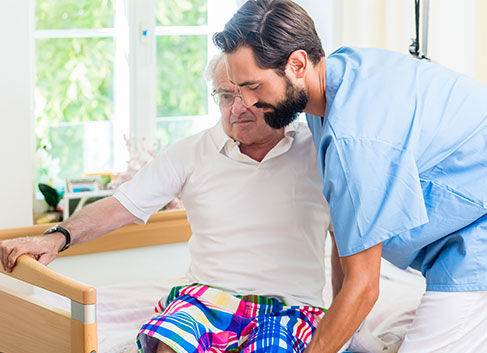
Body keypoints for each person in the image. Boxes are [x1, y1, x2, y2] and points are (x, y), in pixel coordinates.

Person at [0, 54, 332, 353]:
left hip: (290, 306)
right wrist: (56, 237)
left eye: (247, 94)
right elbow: (120, 205)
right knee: (171, 343)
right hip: (206, 298)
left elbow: (350, 241)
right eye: (225, 96)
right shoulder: (192, 152)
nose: (236, 107)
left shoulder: (316, 150)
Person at [213, 1, 487, 353]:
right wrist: (343, 332)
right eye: (236, 89)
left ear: (297, 64)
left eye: (254, 87)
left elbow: (365, 287)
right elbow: (348, 229)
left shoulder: (355, 140)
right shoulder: (332, 82)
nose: (246, 103)